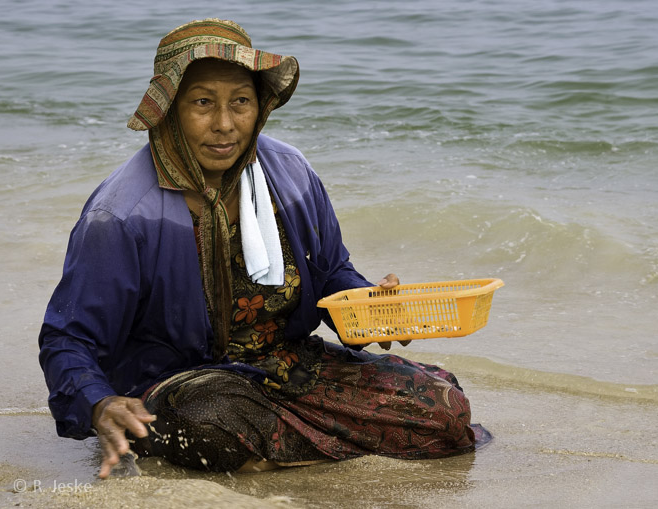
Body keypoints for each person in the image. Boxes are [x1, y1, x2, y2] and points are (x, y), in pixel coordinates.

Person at [38, 18, 489, 479]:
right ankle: (297, 447)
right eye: (202, 103)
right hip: (183, 384)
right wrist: (100, 402)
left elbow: (333, 272)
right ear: (169, 108)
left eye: (240, 102)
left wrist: (369, 304)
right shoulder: (119, 216)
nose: (225, 124)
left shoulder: (290, 173)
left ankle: (274, 453)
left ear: (260, 106)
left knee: (444, 410)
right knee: (205, 422)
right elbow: (67, 337)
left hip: (285, 366)